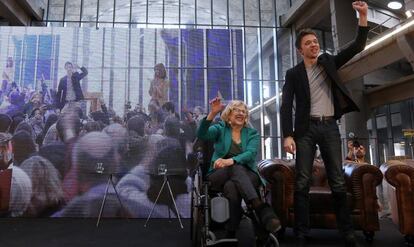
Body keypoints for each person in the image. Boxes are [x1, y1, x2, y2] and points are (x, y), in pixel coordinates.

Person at [280, 2, 368, 246]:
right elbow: (286, 106)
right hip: (305, 130)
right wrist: (288, 135)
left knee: (337, 179)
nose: (314, 44)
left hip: (329, 127)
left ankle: (347, 231)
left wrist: (362, 16)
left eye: (316, 41)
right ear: (300, 50)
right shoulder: (293, 74)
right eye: (308, 43)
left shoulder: (328, 62)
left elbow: (357, 46)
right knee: (302, 181)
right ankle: (301, 232)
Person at [197, 98, 280, 239]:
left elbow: (250, 154)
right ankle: (259, 207)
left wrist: (230, 161)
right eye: (237, 110)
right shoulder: (220, 128)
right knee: (235, 169)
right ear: (229, 114)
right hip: (218, 173)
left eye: (244, 111)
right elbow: (201, 134)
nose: (241, 113)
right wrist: (212, 114)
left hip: (247, 174)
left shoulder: (252, 133)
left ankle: (231, 231)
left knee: (232, 186)